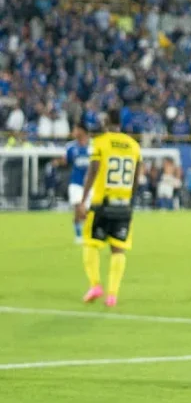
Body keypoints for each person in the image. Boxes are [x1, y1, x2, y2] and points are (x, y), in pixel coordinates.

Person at [76, 109, 142, 309]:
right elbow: (136, 178)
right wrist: (129, 201)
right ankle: (112, 295)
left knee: (90, 243)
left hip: (102, 203)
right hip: (123, 206)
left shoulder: (100, 142)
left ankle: (95, 285)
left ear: (106, 122)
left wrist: (83, 200)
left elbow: (93, 171)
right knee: (118, 249)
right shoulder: (134, 146)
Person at [62, 122, 92, 243]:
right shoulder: (70, 147)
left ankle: (84, 232)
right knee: (79, 208)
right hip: (76, 182)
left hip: (90, 185)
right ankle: (79, 236)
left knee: (87, 211)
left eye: (75, 129)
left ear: (82, 130)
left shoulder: (93, 146)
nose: (73, 132)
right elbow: (66, 161)